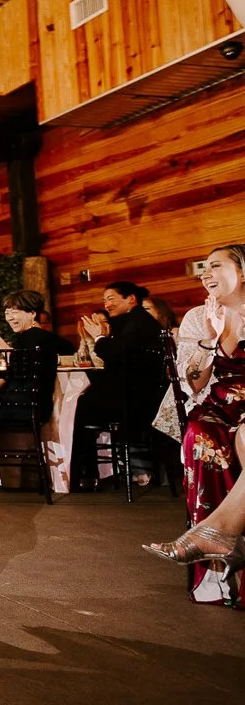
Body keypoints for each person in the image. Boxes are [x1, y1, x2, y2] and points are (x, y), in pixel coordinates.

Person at [166, 244, 245, 607]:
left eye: (215, 266)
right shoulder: (199, 316)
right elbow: (194, 383)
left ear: (242, 271)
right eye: (204, 268)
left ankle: (217, 535)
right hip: (219, 405)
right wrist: (210, 341)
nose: (206, 273)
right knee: (200, 436)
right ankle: (216, 574)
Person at [72, 282, 167, 490]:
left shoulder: (137, 322)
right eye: (104, 300)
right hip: (142, 396)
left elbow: (116, 355)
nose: (107, 305)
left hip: (135, 401)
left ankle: (86, 475)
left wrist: (99, 337)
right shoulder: (137, 321)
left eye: (111, 299)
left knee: (75, 409)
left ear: (130, 299)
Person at [0, 289, 75, 419]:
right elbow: (11, 372)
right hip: (35, 405)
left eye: (14, 312)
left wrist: (2, 346)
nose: (9, 318)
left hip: (23, 406)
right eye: (7, 313)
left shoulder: (32, 337)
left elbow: (22, 371)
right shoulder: (38, 337)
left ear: (32, 313)